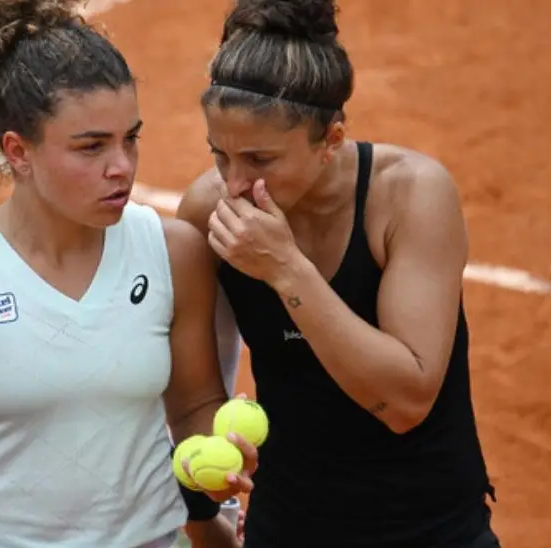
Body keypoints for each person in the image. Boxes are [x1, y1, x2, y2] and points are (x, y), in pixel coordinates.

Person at [0, 1, 256, 547]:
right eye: (92, 146)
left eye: (131, 138)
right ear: (19, 151)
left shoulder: (172, 253)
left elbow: (195, 403)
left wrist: (212, 465)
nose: (122, 166)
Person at [175, 0, 502, 546]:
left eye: (260, 160)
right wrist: (208, 487)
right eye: (220, 156)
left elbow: (404, 402)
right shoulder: (207, 212)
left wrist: (285, 269)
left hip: (434, 529)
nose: (233, 184)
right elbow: (194, 395)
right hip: (289, 528)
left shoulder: (411, 196)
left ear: (331, 140)